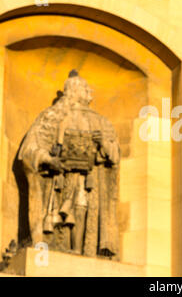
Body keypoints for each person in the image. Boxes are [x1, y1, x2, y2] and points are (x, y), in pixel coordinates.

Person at [18, 70, 120, 259]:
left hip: (89, 183)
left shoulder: (100, 121)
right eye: (85, 88)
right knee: (63, 214)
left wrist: (103, 144)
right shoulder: (51, 116)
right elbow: (29, 150)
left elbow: (114, 155)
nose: (90, 92)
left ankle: (81, 250)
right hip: (57, 182)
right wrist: (49, 159)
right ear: (74, 90)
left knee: (81, 205)